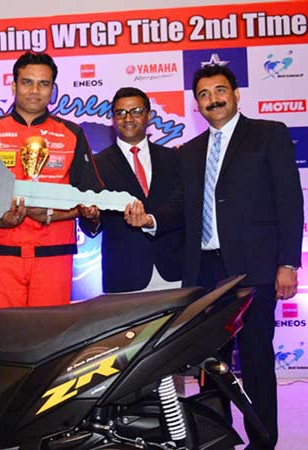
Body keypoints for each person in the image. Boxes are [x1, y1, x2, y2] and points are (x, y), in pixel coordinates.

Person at [127, 64, 303, 450]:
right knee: (209, 363)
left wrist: (288, 262)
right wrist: (151, 219)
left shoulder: (268, 134)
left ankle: (262, 441)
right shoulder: (190, 151)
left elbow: (290, 200)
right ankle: (218, 439)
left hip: (254, 268)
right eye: (204, 95)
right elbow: (180, 207)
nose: (213, 100)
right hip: (204, 270)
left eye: (220, 90)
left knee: (255, 359)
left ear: (236, 94)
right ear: (197, 104)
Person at [0, 51, 100, 321]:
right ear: (14, 85)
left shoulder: (72, 133)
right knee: (0, 333)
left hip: (53, 255)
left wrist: (57, 214)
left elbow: (90, 197)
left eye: (43, 84)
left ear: (53, 89)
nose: (34, 91)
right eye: (27, 82)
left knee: (49, 334)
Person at [79, 87, 183, 293]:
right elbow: (90, 224)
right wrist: (92, 218)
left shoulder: (174, 158)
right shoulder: (96, 164)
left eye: (136, 111)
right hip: (124, 276)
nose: (128, 118)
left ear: (149, 115)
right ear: (113, 119)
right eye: (120, 113)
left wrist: (151, 221)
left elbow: (182, 207)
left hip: (174, 270)